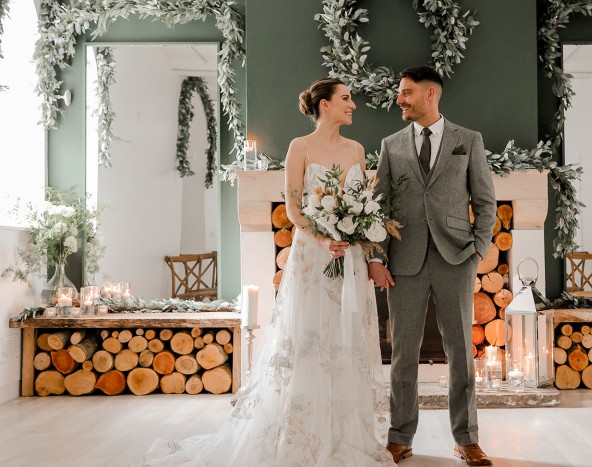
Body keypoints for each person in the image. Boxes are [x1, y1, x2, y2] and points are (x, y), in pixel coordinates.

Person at [140, 78, 396, 466]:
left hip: (350, 261)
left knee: (346, 342)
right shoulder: (301, 147)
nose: (352, 105)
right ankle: (302, 436)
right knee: (308, 338)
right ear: (324, 105)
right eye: (346, 99)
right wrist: (324, 240)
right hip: (313, 257)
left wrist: (357, 238)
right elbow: (293, 209)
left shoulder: (357, 149)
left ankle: (344, 436)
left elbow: (362, 205)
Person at [368, 66, 496, 466]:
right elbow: (380, 205)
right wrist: (376, 256)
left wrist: (478, 248)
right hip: (403, 262)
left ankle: (467, 438)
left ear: (429, 94)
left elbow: (485, 201)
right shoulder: (391, 145)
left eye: (405, 92)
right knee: (403, 353)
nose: (399, 100)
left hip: (456, 258)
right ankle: (400, 437)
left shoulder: (468, 140)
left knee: (461, 351)